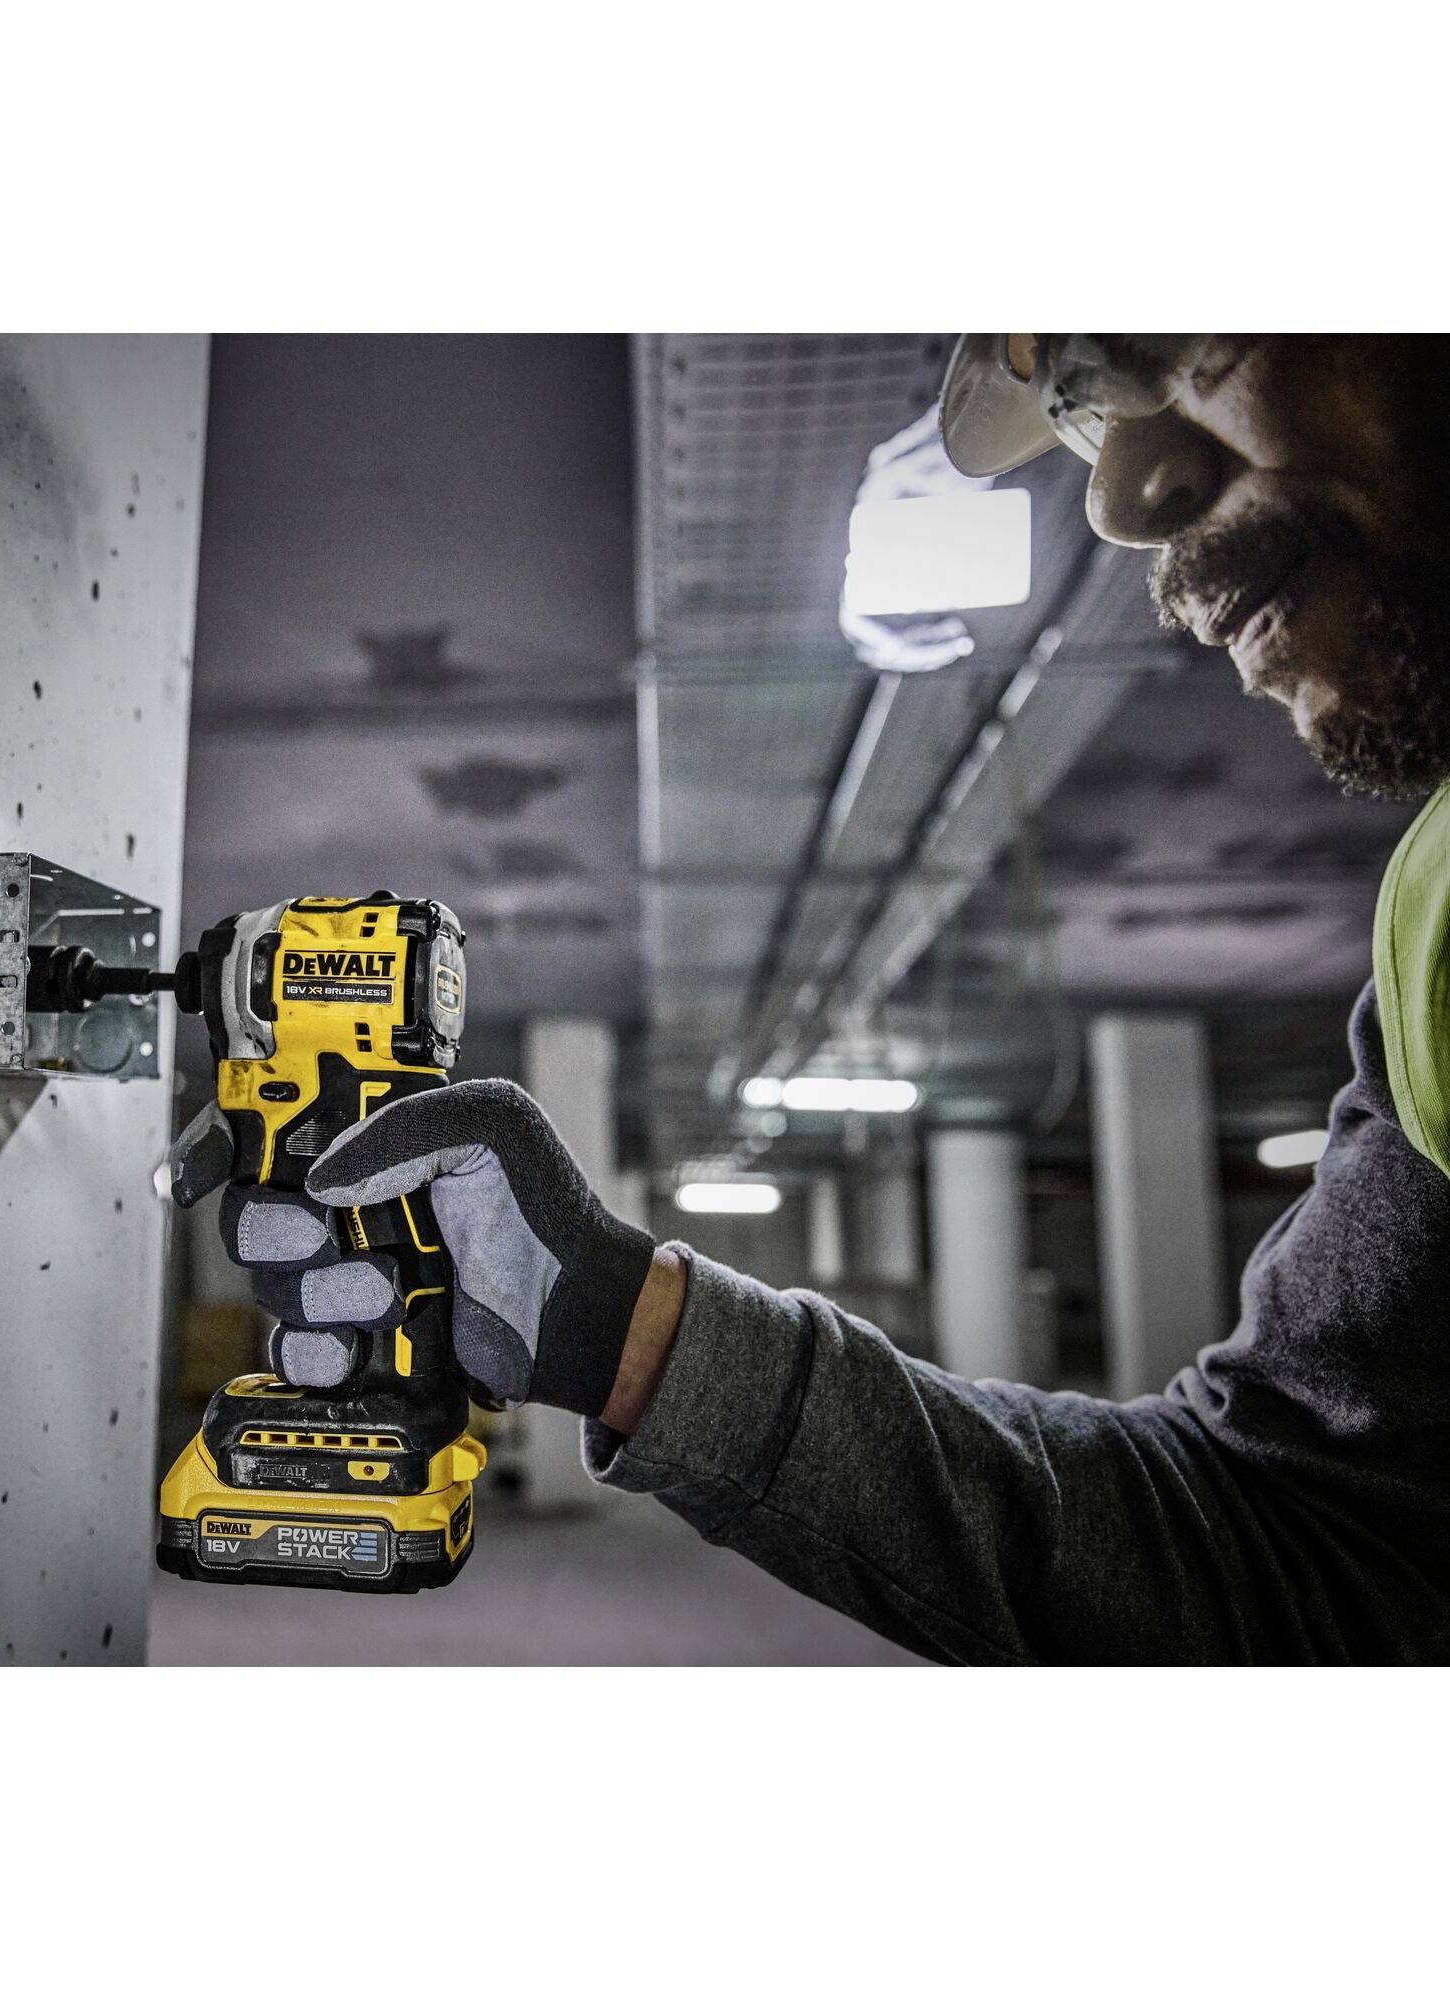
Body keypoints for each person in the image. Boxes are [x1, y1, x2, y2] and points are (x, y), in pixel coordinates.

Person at [170, 336, 1450, 1665]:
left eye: (1187, 342)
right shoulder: (1435, 916)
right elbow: (1287, 1548)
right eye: (1083, 414)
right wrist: (614, 1321)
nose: (1124, 496)